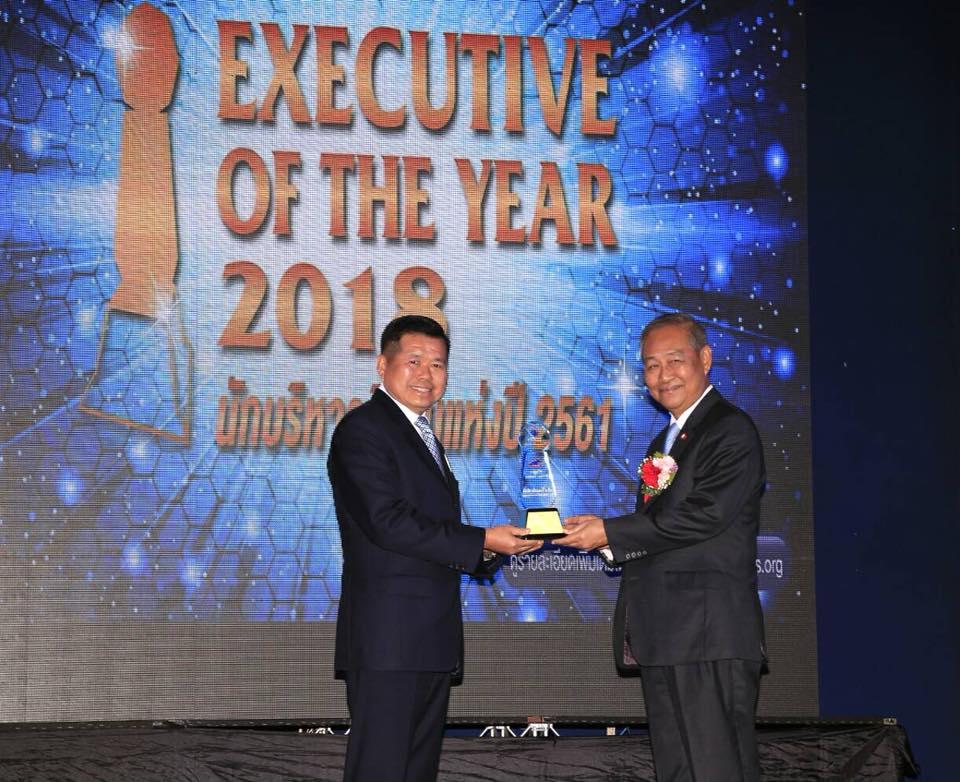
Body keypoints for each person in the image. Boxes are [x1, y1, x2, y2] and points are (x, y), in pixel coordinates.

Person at [328, 314, 540, 782]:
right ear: (382, 365)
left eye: (438, 364)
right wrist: (481, 539)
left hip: (426, 641)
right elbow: (387, 523)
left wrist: (493, 550)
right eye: (414, 361)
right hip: (389, 643)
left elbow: (431, 532)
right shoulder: (363, 429)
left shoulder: (420, 434)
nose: (427, 374)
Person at [556, 312, 767, 781]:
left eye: (675, 360)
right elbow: (658, 528)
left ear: (704, 359)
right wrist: (604, 539)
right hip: (667, 635)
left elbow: (703, 515)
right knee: (677, 771)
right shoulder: (663, 441)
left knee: (717, 770)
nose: (662, 375)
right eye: (651, 365)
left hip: (708, 635)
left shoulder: (730, 429)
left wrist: (611, 532)